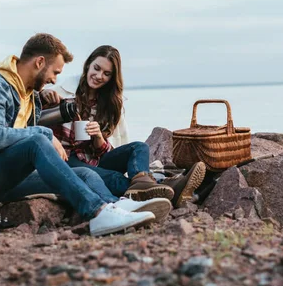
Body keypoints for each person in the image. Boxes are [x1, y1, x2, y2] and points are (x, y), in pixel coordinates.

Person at [0, 33, 171, 236]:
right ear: (40, 62)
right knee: (38, 140)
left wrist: (45, 101)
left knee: (85, 175)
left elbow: (19, 127)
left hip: (6, 178)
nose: (54, 79)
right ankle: (98, 212)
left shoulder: (28, 94)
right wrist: (44, 133)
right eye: (54, 72)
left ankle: (115, 206)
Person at [41, 45, 205, 207]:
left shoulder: (107, 103)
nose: (99, 76)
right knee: (113, 177)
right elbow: (32, 107)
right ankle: (171, 189)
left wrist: (98, 137)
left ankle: (145, 186)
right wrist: (43, 94)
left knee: (139, 148)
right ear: (88, 64)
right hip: (65, 158)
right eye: (96, 68)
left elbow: (103, 151)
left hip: (94, 160)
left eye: (106, 74)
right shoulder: (61, 89)